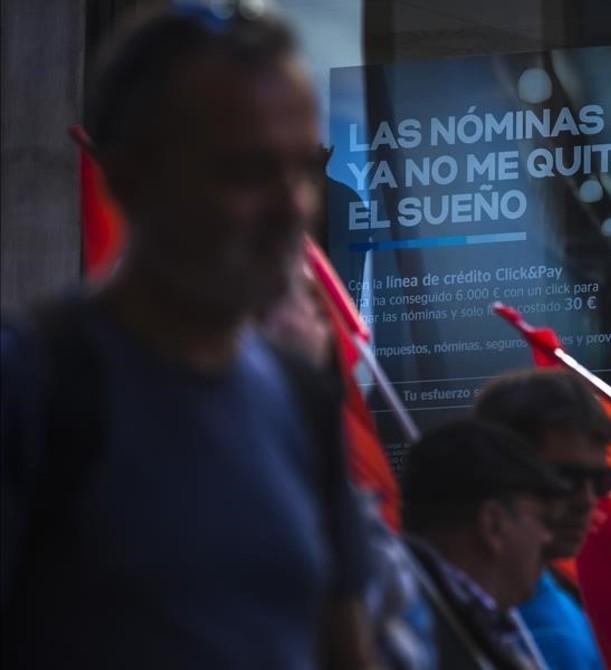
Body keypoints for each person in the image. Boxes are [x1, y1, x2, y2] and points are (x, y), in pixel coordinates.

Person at [0, 6, 373, 669]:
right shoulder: (31, 392)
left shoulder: (302, 397)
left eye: (302, 171)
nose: (291, 208)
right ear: (131, 176)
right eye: (248, 171)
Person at [474, 369, 611, 670]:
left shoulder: (550, 605)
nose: (587, 500)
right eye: (564, 478)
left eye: (602, 480)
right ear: (497, 467)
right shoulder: (419, 611)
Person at [399, 419, 572, 670]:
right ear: (493, 524)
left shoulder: (408, 614)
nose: (547, 537)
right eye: (542, 519)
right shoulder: (417, 644)